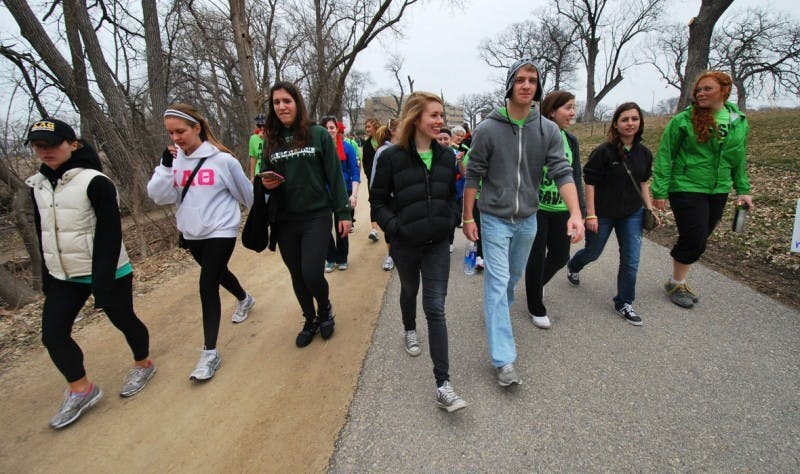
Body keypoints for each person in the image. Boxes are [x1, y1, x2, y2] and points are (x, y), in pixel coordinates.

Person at [26, 119, 155, 429]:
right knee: (53, 334)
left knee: (123, 319)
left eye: (52, 144)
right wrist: (47, 275)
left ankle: (143, 363)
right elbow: (43, 232)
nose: (45, 151)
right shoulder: (38, 185)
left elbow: (111, 234)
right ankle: (81, 389)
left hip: (107, 269)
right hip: (63, 274)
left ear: (73, 144)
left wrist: (102, 282)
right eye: (39, 146)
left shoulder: (96, 182)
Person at [463, 58, 584, 387]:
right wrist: (466, 218)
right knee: (498, 282)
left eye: (532, 79)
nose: (527, 85)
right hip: (494, 218)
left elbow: (563, 171)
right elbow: (472, 174)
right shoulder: (488, 128)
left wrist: (575, 213)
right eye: (520, 79)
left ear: (538, 87)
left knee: (511, 280)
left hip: (528, 219)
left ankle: (495, 312)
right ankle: (504, 360)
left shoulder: (547, 130)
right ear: (510, 85)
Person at [370, 91, 467, 412]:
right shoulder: (390, 158)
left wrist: (452, 219)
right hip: (406, 244)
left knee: (436, 307)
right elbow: (378, 202)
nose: (441, 121)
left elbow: (455, 196)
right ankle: (409, 328)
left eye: (442, 115)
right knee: (409, 290)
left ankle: (443, 384)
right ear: (416, 118)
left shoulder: (446, 157)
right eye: (434, 115)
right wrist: (395, 228)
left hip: (438, 244)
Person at [147, 103, 255, 381]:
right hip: (193, 233)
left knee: (207, 284)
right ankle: (244, 298)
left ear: (197, 128)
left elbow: (247, 194)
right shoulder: (174, 161)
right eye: (171, 133)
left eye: (181, 131)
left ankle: (209, 353)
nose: (176, 138)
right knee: (218, 274)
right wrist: (164, 165)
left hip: (222, 229)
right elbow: (159, 197)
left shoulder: (222, 160)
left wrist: (262, 223)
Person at [260, 82, 352, 347]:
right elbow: (264, 175)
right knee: (297, 275)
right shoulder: (271, 140)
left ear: (297, 103)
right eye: (276, 102)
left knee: (312, 273)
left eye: (286, 101)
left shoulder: (318, 134)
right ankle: (309, 319)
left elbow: (334, 176)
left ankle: (324, 309)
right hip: (285, 218)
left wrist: (343, 213)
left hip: (316, 215)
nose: (281, 106)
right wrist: (265, 182)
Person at [652, 70, 753, 309]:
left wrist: (743, 189)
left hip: (718, 189)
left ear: (724, 91)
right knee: (695, 237)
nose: (701, 93)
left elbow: (738, 158)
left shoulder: (738, 121)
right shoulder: (683, 120)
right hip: (686, 185)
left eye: (707, 89)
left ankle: (676, 278)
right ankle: (677, 283)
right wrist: (660, 191)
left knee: (700, 237)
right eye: (699, 90)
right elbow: (666, 155)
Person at [566, 102, 657, 326]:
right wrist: (591, 214)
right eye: (625, 119)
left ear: (640, 123)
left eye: (634, 119)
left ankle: (624, 302)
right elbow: (590, 183)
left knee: (631, 259)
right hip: (603, 212)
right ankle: (573, 266)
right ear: (616, 124)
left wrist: (649, 209)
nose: (630, 123)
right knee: (593, 252)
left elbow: (643, 183)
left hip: (632, 213)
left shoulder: (644, 153)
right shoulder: (603, 152)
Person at [524, 91, 586, 329]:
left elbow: (575, 175)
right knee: (536, 257)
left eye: (574, 107)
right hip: (537, 208)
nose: (572, 113)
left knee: (561, 256)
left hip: (561, 209)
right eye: (568, 108)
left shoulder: (571, 141)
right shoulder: (535, 136)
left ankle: (535, 286)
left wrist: (578, 211)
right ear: (551, 111)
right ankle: (535, 305)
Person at [321, 117, 360, 272]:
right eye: (326, 127)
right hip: (323, 194)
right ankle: (330, 258)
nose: (329, 130)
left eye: (332, 127)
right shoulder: (318, 150)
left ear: (337, 129)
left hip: (344, 192)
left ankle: (342, 258)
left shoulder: (347, 148)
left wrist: (354, 195)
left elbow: (355, 172)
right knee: (323, 226)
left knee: (342, 226)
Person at [370, 121, 399, 271]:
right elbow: (375, 176)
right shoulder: (382, 151)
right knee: (390, 227)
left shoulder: (407, 148)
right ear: (393, 131)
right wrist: (376, 197)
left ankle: (400, 254)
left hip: (403, 197)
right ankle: (390, 255)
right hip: (389, 197)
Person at [362, 118, 382, 242]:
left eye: (369, 126)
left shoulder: (384, 141)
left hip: (387, 178)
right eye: (366, 127)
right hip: (373, 179)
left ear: (375, 126)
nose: (367, 129)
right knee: (373, 202)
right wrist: (370, 176)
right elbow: (366, 162)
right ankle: (374, 230)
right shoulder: (367, 144)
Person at [249, 113, 266, 180]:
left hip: (270, 173)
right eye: (259, 125)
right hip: (258, 173)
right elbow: (253, 158)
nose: (262, 128)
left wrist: (265, 138)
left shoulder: (272, 136)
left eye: (264, 125)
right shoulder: (253, 138)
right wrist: (252, 176)